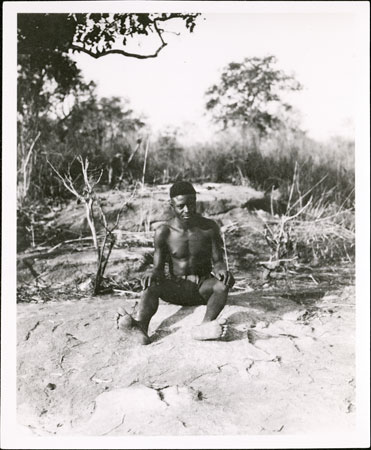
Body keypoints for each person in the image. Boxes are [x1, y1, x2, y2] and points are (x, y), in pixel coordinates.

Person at [116, 181, 235, 344]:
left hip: (202, 290)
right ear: (171, 205)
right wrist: (152, 273)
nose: (187, 210)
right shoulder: (164, 232)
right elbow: (158, 268)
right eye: (181, 206)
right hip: (174, 290)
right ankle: (140, 327)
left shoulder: (209, 228)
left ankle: (206, 325)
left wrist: (222, 271)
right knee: (151, 285)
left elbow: (218, 260)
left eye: (191, 204)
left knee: (221, 286)